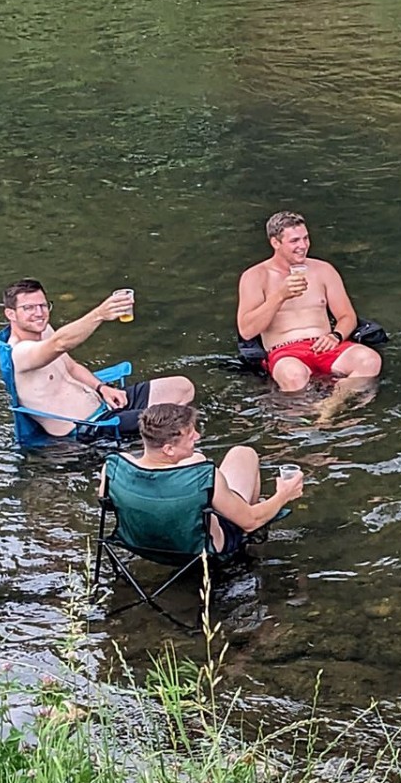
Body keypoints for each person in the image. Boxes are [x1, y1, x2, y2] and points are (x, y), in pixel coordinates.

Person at [2, 278, 194, 439]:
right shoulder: (19, 353)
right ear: (11, 314)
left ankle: (149, 436)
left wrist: (102, 388)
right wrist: (100, 314)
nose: (39, 313)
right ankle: (151, 441)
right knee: (175, 419)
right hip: (91, 429)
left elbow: (71, 367)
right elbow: (60, 343)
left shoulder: (44, 331)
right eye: (28, 308)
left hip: (104, 403)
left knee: (182, 387)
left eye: (43, 305)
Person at [104, 403, 302, 555]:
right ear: (169, 449)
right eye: (190, 435)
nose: (197, 437)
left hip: (140, 543)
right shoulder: (203, 476)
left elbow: (107, 505)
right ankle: (250, 547)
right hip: (200, 549)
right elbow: (251, 520)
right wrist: (283, 494)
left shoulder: (113, 467)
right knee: (244, 453)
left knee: (197, 458)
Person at [236, 211, 383, 394]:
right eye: (294, 241)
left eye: (305, 238)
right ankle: (330, 406)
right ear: (275, 243)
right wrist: (280, 296)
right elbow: (247, 330)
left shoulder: (324, 270)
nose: (303, 246)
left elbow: (347, 316)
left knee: (370, 360)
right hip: (285, 350)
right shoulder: (255, 276)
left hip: (325, 343)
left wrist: (336, 336)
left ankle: (332, 404)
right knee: (294, 376)